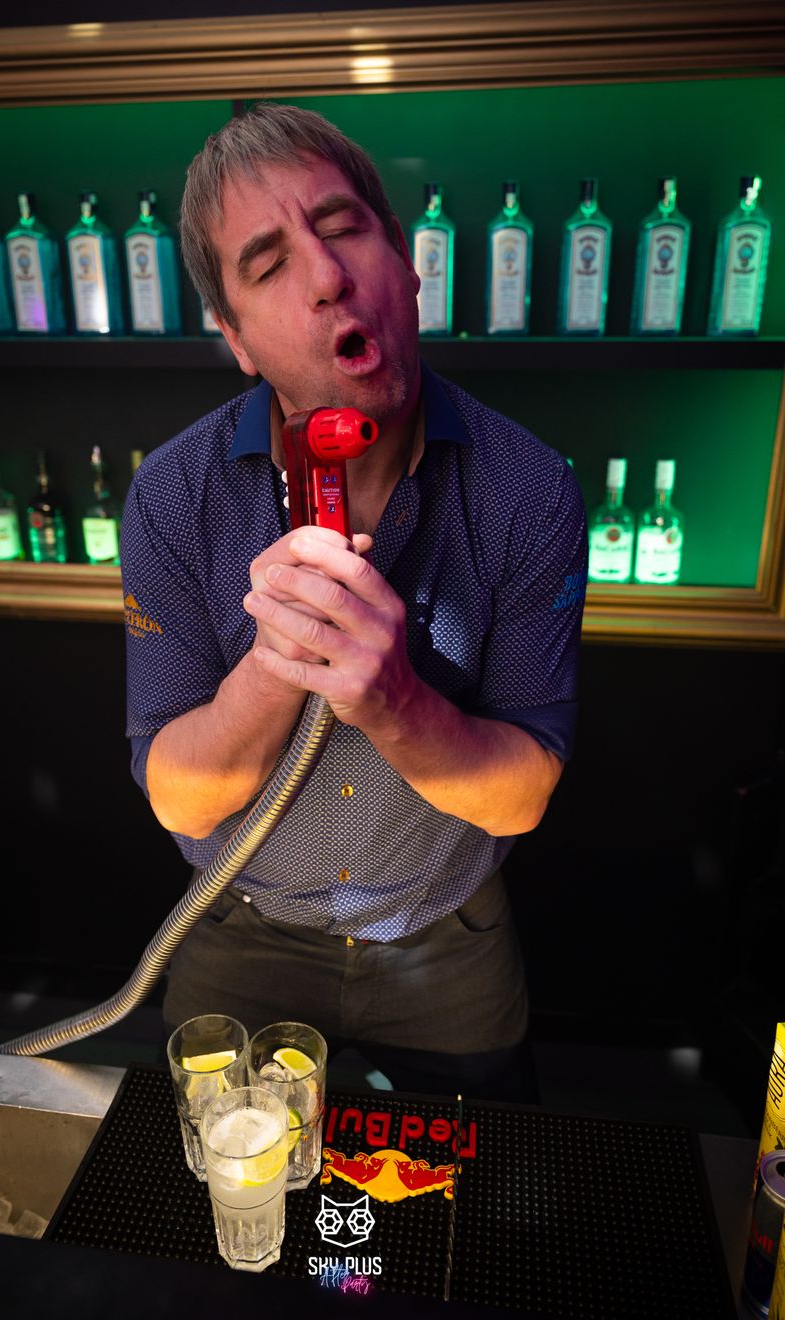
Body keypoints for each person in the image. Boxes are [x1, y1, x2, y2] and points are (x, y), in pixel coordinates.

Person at [121, 101, 587, 1103]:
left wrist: (394, 699)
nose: (327, 277)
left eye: (342, 228)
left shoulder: (529, 489)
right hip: (239, 926)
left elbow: (521, 793)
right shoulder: (171, 494)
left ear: (405, 260)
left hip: (446, 936)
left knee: (477, 1182)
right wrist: (274, 664)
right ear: (237, 339)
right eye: (268, 266)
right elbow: (178, 796)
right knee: (216, 1176)